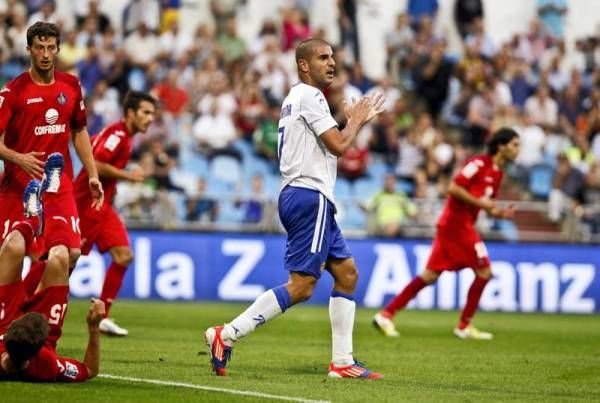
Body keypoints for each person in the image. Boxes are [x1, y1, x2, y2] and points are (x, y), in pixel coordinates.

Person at [204, 38, 385, 378]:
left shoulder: (294, 99)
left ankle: (343, 362)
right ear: (304, 65)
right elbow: (340, 146)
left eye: (332, 57)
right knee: (302, 286)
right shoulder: (309, 96)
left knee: (347, 274)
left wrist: (348, 123)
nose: (331, 63)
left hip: (306, 195)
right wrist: (357, 120)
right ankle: (226, 334)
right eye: (322, 57)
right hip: (308, 195)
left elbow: (331, 148)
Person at [25, 91, 157, 336]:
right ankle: (22, 303)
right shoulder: (117, 134)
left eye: (152, 114)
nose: (150, 119)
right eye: (146, 113)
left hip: (103, 208)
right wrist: (129, 176)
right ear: (130, 113)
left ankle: (103, 315)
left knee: (124, 256)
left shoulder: (122, 136)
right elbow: (95, 162)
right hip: (85, 205)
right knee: (62, 259)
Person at [373, 128, 520, 339]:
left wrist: (501, 214)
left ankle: (386, 315)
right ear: (501, 145)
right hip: (456, 224)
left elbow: (487, 205)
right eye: (515, 144)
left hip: (460, 225)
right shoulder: (479, 164)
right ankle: (464, 326)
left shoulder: (498, 173)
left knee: (430, 275)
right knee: (485, 271)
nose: (518, 150)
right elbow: (454, 188)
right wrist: (483, 204)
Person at [0, 22, 104, 300]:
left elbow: (79, 130)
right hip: (19, 187)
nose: (45, 54)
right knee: (14, 249)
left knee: (70, 253)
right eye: (39, 48)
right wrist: (17, 157)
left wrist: (92, 173)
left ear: (58, 49)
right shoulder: (13, 91)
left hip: (58, 185)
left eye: (50, 48)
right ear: (29, 50)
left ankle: (31, 307)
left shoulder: (71, 86)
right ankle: (9, 315)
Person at [0, 156, 105, 382]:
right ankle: (50, 195)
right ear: (36, 351)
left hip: (3, 316)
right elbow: (89, 370)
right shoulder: (45, 364)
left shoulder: (36, 360)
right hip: (13, 327)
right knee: (62, 257)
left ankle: (34, 221)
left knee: (13, 244)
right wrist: (94, 327)